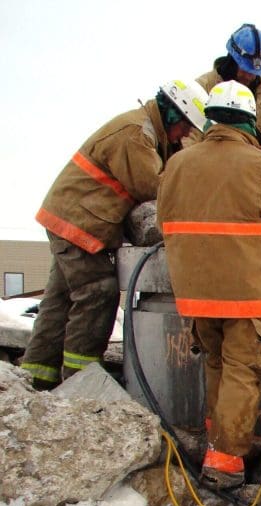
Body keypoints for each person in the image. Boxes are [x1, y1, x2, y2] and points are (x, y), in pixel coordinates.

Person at [158, 81, 261, 489]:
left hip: (196, 291)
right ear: (251, 124)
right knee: (243, 370)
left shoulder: (177, 164)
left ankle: (218, 441)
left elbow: (163, 215)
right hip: (247, 292)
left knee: (216, 363)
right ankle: (227, 459)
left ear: (209, 118)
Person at [21, 79, 209, 390]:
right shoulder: (135, 135)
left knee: (59, 301)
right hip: (79, 223)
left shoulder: (148, 131)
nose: (187, 134)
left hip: (73, 218)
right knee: (98, 293)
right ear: (173, 115)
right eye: (186, 126)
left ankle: (38, 378)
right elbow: (154, 188)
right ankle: (82, 381)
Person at [192, 23, 261, 170]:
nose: (249, 75)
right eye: (244, 68)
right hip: (209, 171)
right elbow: (188, 137)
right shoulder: (202, 87)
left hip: (254, 173)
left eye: (254, 71)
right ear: (232, 60)